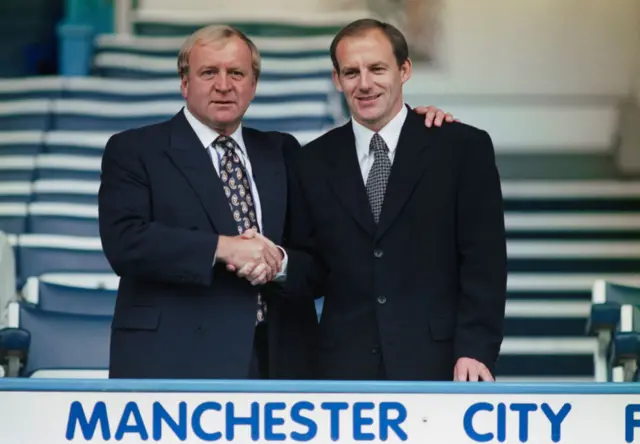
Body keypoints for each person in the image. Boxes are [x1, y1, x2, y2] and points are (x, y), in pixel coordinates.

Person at [98, 23, 456, 379]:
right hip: (175, 359)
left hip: (277, 360)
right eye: (209, 72)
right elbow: (125, 243)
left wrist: (279, 263)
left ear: (253, 85)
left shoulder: (283, 152)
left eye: (237, 73)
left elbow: (321, 259)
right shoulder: (135, 150)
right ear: (185, 82)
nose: (224, 85)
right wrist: (224, 248)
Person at [241, 18, 508, 382]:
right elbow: (315, 268)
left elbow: (484, 262)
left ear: (404, 70)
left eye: (377, 69)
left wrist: (475, 350)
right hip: (343, 369)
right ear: (337, 80)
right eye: (351, 72)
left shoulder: (461, 148)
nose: (364, 84)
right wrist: (278, 262)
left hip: (441, 365)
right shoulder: (311, 161)